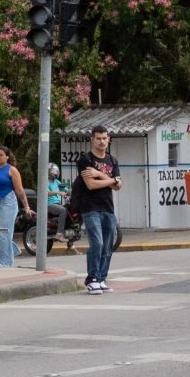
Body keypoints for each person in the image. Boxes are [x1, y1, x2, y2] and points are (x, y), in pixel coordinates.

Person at [74, 126, 123, 294]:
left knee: (108, 245)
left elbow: (119, 186)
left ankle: (101, 278)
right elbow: (91, 184)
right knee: (97, 242)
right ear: (92, 140)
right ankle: (92, 279)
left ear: (108, 139)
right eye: (98, 138)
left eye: (104, 138)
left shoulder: (113, 160)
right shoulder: (85, 159)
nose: (102, 141)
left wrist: (100, 174)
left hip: (108, 207)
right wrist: (111, 180)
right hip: (90, 207)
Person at [0, 145, 29, 267]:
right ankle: (12, 249)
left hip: (8, 202)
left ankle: (4, 265)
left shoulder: (12, 170)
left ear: (7, 157)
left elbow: (20, 190)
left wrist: (26, 206)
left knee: (3, 234)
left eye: (1, 155)